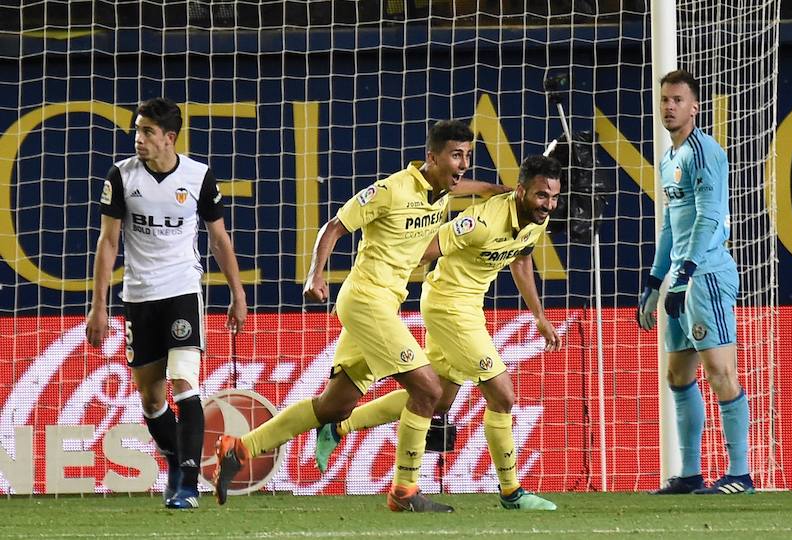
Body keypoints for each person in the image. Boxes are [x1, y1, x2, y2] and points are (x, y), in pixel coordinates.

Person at [213, 120, 508, 512]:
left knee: (335, 406)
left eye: (468, 156)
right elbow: (335, 226)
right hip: (366, 300)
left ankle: (239, 448)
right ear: (431, 158)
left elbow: (473, 188)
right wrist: (315, 274)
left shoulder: (441, 192)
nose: (464, 164)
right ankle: (405, 490)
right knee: (430, 391)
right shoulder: (391, 190)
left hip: (385, 304)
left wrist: (502, 190)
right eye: (457, 155)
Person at [315, 154, 563, 511]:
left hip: (469, 307)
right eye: (542, 196)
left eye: (554, 198)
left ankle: (339, 427)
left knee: (439, 400)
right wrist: (387, 268)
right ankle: (511, 492)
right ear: (522, 191)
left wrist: (538, 315)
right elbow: (427, 250)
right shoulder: (480, 222)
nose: (549, 205)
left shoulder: (535, 221)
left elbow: (521, 259)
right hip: (448, 306)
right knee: (503, 394)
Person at [85, 97, 247, 509]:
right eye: (137, 131)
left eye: (147, 132)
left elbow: (219, 238)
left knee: (183, 383)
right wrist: (98, 305)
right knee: (152, 400)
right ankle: (175, 457)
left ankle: (189, 485)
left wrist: (237, 292)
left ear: (169, 138)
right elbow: (108, 242)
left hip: (182, 292)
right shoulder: (121, 176)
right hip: (139, 296)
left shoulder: (198, 176)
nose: (138, 139)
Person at [637, 70, 752, 495]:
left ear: (695, 106)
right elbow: (671, 225)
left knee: (721, 371)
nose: (669, 106)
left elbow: (708, 218)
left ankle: (740, 472)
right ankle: (689, 473)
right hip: (680, 280)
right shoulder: (669, 158)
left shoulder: (705, 154)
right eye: (665, 99)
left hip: (705, 277)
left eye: (678, 100)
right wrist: (653, 280)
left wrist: (684, 273)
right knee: (677, 375)